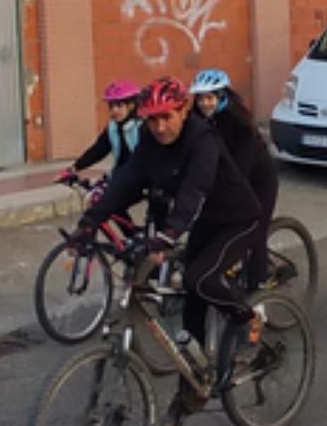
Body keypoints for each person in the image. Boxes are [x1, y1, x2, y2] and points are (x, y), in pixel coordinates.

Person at [74, 76, 263, 408]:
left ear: (183, 110)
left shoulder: (202, 139)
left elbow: (196, 187)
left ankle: (246, 318)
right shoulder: (149, 141)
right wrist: (89, 222)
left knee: (199, 279)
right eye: (152, 119)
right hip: (205, 221)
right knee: (192, 306)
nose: (160, 127)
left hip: (238, 219)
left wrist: (169, 234)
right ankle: (194, 387)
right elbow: (128, 181)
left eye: (167, 117)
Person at [189, 68, 279, 289]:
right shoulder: (198, 120)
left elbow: (238, 172)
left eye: (209, 98)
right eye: (200, 98)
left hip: (258, 181)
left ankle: (259, 292)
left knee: (254, 233)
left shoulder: (239, 126)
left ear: (222, 97)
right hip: (231, 179)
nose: (204, 103)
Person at [67, 78, 143, 186]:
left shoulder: (143, 127)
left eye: (119, 106)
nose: (114, 110)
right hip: (120, 178)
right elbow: (98, 150)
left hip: (141, 180)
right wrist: (74, 168)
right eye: (111, 106)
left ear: (131, 105)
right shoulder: (112, 128)